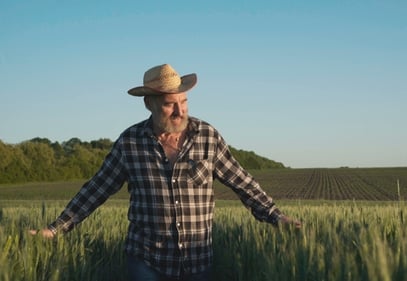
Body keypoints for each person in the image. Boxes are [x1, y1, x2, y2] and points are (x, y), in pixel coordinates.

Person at [30, 64, 301, 281]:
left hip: (198, 262)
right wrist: (55, 230)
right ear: (149, 104)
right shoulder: (130, 142)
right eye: (170, 104)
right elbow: (96, 190)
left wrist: (276, 217)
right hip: (146, 262)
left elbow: (243, 182)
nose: (179, 110)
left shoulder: (207, 136)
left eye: (183, 101)